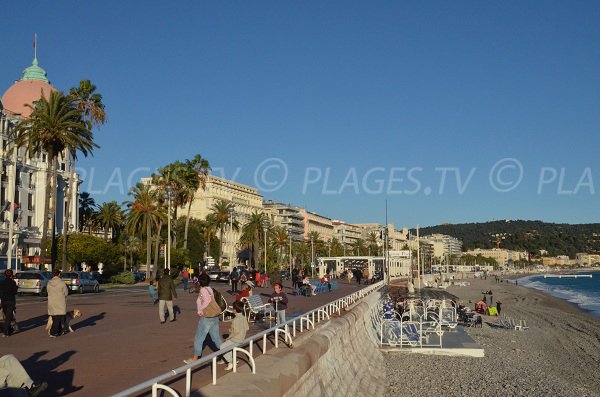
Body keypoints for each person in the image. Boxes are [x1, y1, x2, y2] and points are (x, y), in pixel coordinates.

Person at [184, 274, 224, 364]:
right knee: (216, 338)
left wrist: (200, 309)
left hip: (207, 317)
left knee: (199, 338)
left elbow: (207, 301)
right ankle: (227, 355)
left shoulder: (203, 290)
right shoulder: (209, 288)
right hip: (214, 316)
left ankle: (195, 358)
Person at [219, 301, 249, 371]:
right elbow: (247, 328)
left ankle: (231, 362)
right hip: (242, 337)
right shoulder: (243, 317)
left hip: (236, 339)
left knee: (222, 347)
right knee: (227, 346)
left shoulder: (235, 320)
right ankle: (231, 360)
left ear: (235, 310)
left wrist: (228, 337)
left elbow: (235, 331)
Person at [47, 268, 68, 337]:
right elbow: (66, 293)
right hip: (60, 302)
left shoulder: (49, 283)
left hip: (51, 302)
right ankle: (53, 332)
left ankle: (59, 331)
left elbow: (48, 291)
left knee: (55, 317)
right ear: (59, 274)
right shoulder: (62, 283)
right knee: (58, 318)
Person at [1, 269, 18, 337]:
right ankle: (6, 332)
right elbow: (15, 292)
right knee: (8, 317)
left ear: (5, 275)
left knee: (7, 316)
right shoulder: (13, 283)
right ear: (11, 275)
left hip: (4, 301)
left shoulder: (2, 283)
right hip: (11, 301)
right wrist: (16, 286)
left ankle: (9, 330)